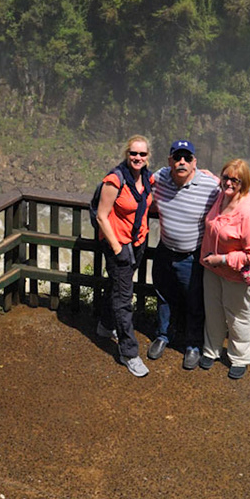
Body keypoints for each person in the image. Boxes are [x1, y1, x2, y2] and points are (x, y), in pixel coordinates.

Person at [148, 139, 218, 371]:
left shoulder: (210, 186)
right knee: (164, 297)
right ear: (169, 161)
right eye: (177, 157)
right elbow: (136, 182)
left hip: (191, 257)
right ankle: (163, 335)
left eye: (187, 158)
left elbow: (234, 197)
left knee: (193, 302)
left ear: (195, 162)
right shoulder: (159, 179)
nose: (182, 162)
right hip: (165, 251)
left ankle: (192, 345)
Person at [198, 158, 250, 380]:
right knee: (214, 311)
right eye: (225, 177)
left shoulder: (247, 212)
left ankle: (240, 358)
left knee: (238, 317)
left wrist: (222, 259)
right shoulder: (222, 195)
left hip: (237, 274)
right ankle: (212, 350)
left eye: (234, 180)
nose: (228, 183)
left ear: (244, 183)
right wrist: (205, 175)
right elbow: (218, 183)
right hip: (213, 269)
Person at [95, 136, 155, 376]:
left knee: (119, 289)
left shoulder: (148, 178)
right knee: (124, 299)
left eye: (142, 154)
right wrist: (118, 249)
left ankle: (105, 325)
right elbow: (101, 216)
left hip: (138, 242)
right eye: (133, 153)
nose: (137, 158)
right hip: (119, 245)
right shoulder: (114, 180)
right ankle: (128, 353)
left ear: (148, 156)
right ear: (126, 153)